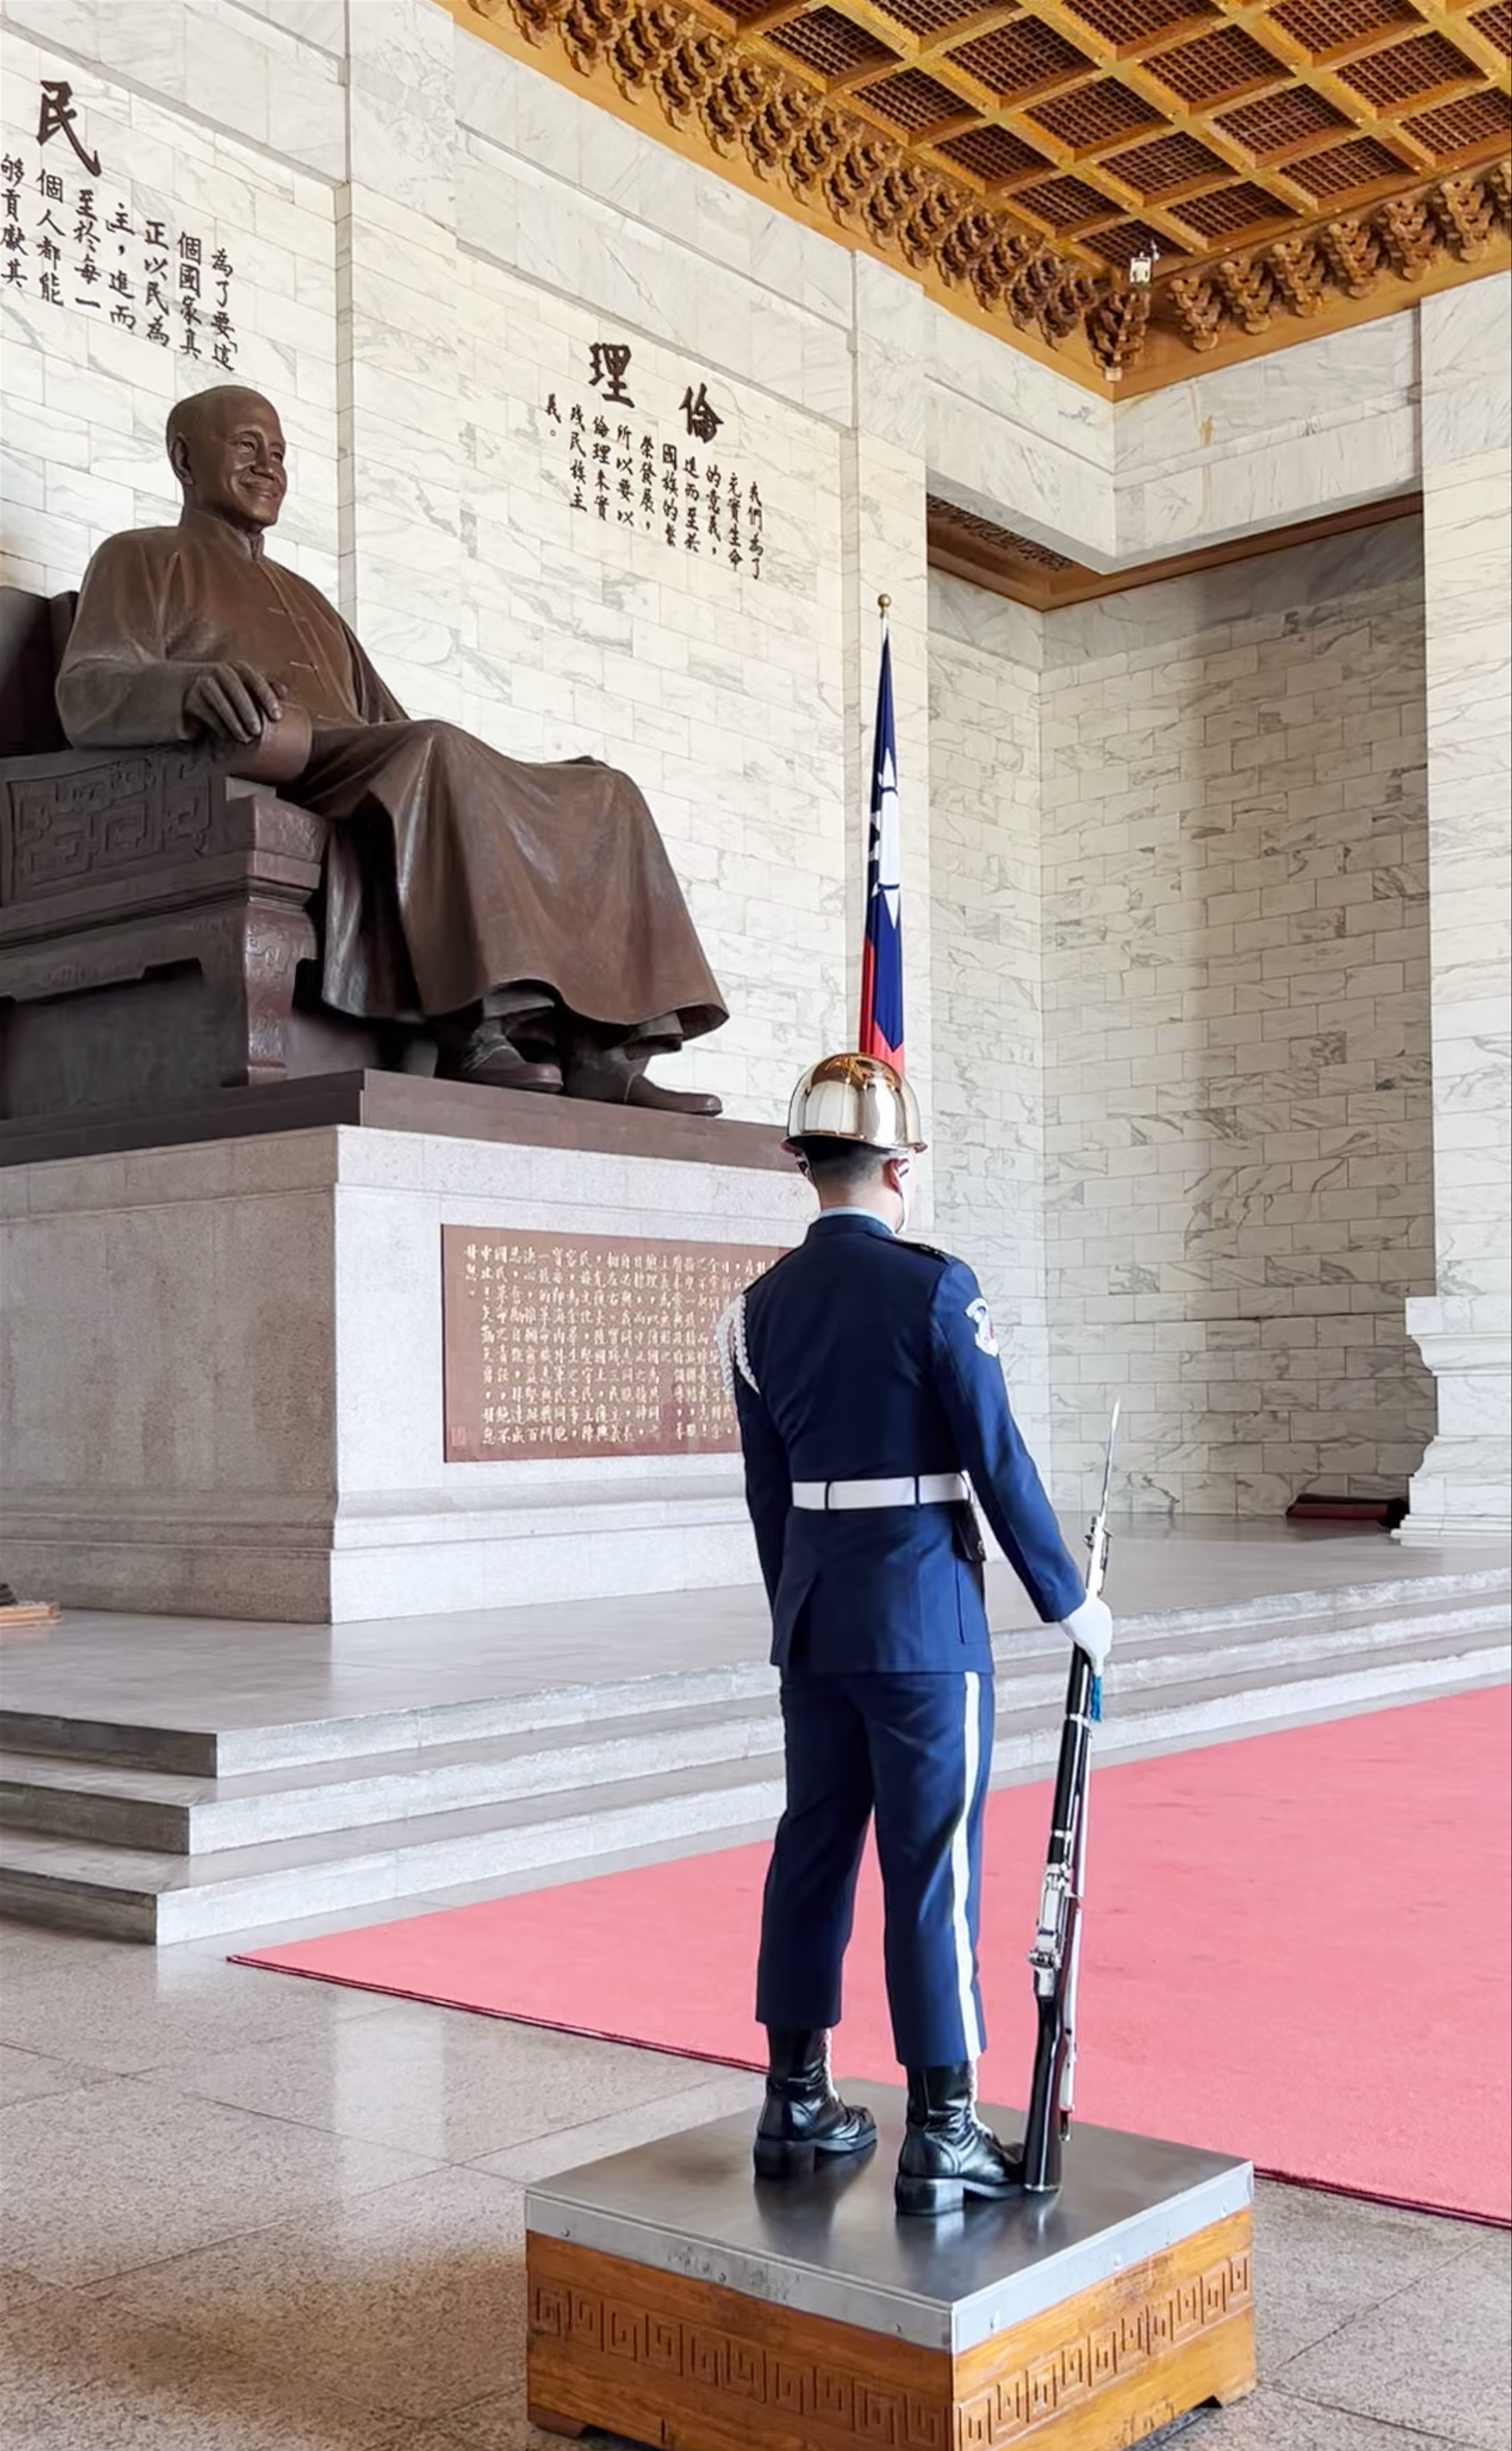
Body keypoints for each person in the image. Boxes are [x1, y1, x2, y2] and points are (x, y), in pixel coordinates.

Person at [56, 386, 727, 1113]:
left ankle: (601, 1046)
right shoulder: (142, 559)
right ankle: (471, 1030)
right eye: (247, 446)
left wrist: (506, 794)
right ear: (185, 459)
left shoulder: (308, 598)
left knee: (604, 789)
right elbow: (85, 690)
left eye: (279, 454)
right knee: (437, 749)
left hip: (367, 761)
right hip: (280, 762)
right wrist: (186, 692)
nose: (268, 467)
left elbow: (393, 724)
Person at [721, 1052, 1113, 2216]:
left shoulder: (754, 1310)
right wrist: (1067, 1599)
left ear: (803, 1165)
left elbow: (767, 1498)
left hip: (815, 1618)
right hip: (925, 1626)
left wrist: (798, 1606)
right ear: (901, 1167)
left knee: (812, 1849)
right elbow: (996, 1457)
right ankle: (941, 2129)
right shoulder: (937, 1289)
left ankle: (796, 2098)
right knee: (931, 1867)